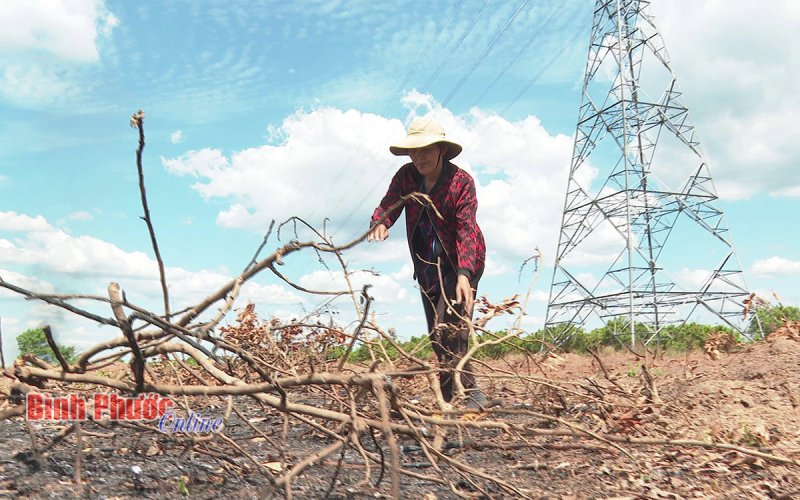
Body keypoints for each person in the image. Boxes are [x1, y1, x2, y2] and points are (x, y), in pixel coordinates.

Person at [368, 116, 488, 409]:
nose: (418, 157)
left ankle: (468, 397)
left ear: (441, 150)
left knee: (453, 329)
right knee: (437, 334)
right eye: (414, 151)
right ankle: (453, 397)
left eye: (425, 149)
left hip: (461, 261)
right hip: (426, 266)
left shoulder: (462, 183)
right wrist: (381, 221)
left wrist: (464, 275)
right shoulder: (407, 177)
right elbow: (390, 202)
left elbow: (466, 228)